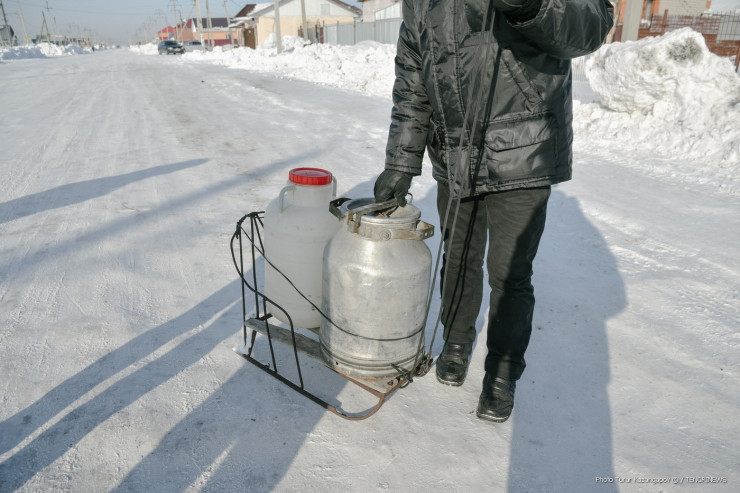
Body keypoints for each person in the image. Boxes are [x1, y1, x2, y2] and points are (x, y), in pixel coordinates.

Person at [374, 0, 614, 422]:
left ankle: (502, 372)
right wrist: (401, 161)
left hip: (524, 147)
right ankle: (456, 340)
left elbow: (590, 25)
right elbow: (412, 74)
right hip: (455, 150)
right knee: (457, 258)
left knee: (509, 272)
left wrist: (532, 5)